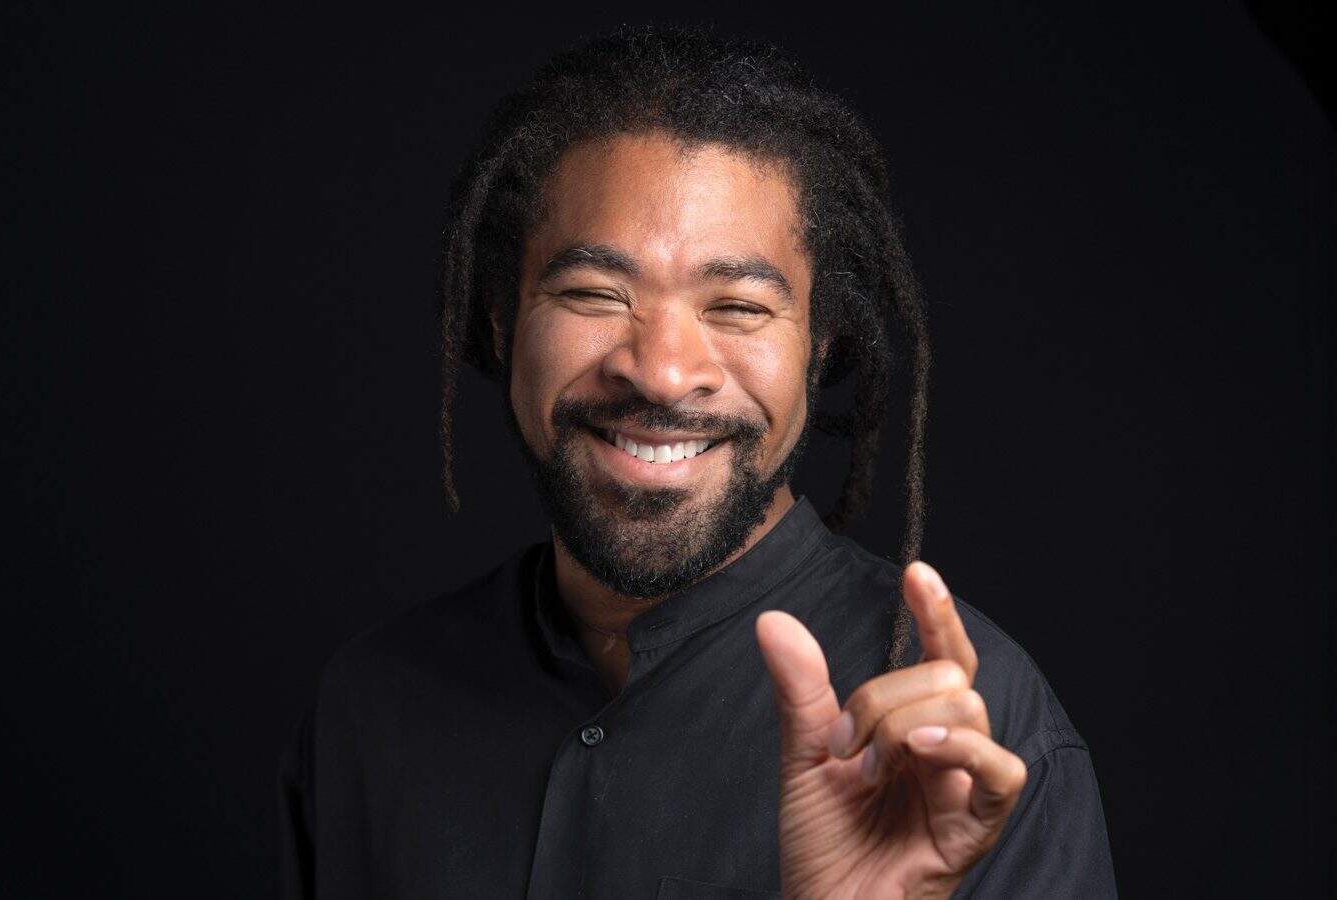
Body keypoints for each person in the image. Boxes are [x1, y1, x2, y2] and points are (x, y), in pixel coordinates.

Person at [275, 24, 1116, 899]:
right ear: (501, 324)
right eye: (596, 294)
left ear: (818, 349)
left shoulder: (972, 739)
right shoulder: (368, 711)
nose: (663, 368)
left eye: (739, 306)